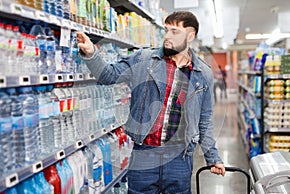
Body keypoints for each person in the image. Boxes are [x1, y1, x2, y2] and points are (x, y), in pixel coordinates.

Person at [77, 11, 225, 194]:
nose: (168, 36)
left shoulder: (202, 73)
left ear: (190, 35)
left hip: (180, 158)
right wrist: (92, 53)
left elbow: (205, 120)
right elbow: (109, 75)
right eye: (166, 30)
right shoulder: (144, 59)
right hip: (144, 154)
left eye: (175, 31)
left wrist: (212, 157)